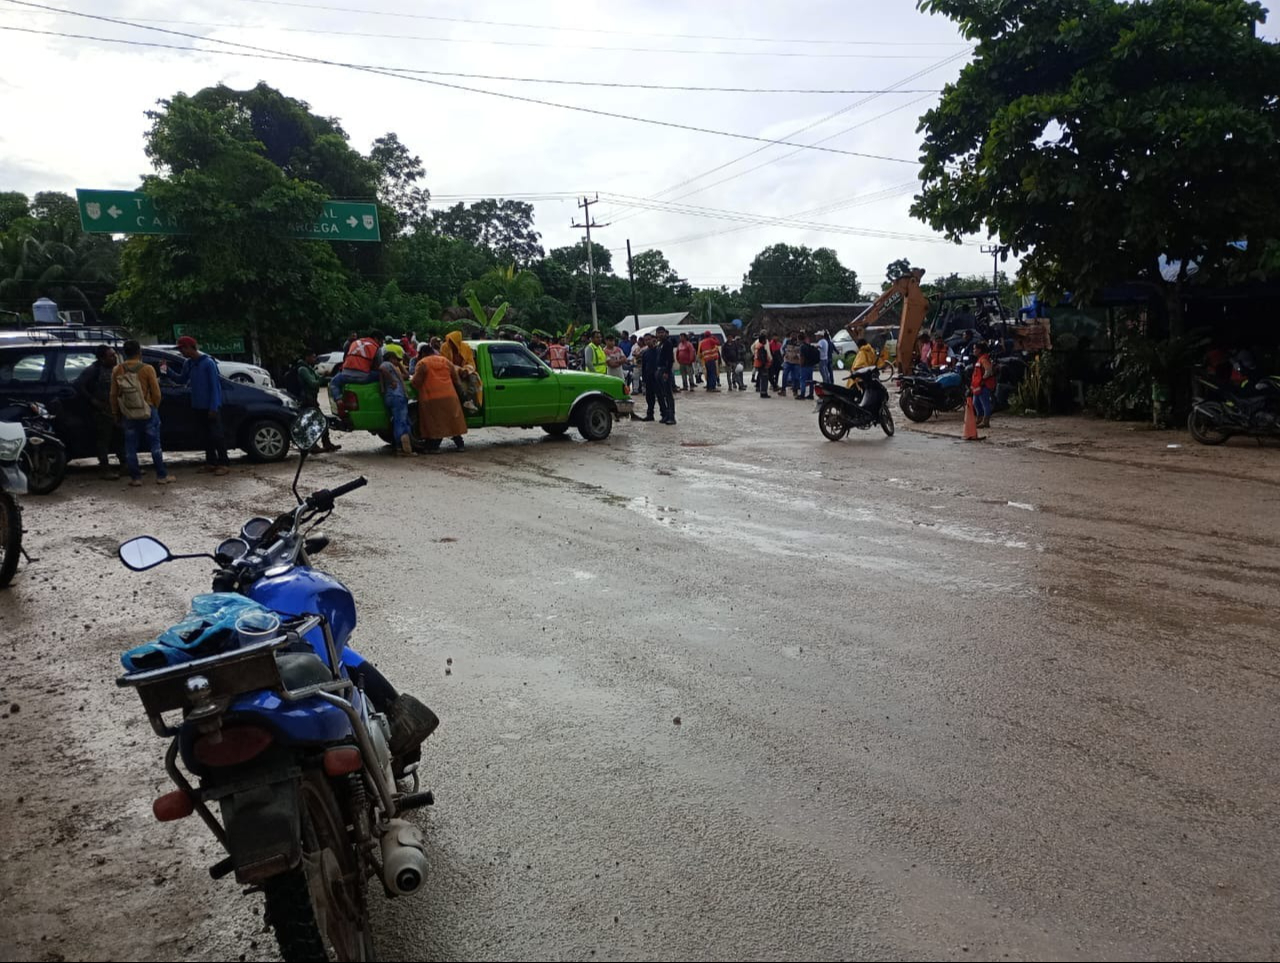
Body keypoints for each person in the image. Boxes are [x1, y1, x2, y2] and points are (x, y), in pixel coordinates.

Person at [110, 340, 171, 487]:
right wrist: (153, 406)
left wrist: (116, 413)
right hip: (148, 411)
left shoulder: (117, 369)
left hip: (129, 413)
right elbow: (156, 393)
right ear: (139, 352)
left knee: (130, 447)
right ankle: (161, 476)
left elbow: (113, 395)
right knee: (155, 445)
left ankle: (136, 478)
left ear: (125, 353)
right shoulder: (147, 368)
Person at [174, 335, 231, 475]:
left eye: (182, 349)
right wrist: (166, 372)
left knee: (217, 435)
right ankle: (210, 462)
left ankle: (223, 463)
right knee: (205, 436)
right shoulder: (188, 363)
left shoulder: (208, 363)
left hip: (210, 406)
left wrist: (213, 406)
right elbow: (181, 379)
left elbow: (214, 387)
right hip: (197, 405)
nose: (182, 352)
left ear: (189, 348)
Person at [75, 344, 125, 479]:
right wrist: (93, 400)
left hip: (116, 409)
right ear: (102, 359)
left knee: (120, 438)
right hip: (102, 411)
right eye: (111, 356)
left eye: (114, 355)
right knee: (104, 440)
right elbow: (78, 385)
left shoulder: (115, 368)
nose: (114, 358)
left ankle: (125, 466)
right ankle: (105, 469)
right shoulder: (94, 370)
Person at [411, 343, 467, 451]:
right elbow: (456, 379)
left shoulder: (422, 363)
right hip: (450, 396)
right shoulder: (445, 361)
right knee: (452, 422)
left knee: (435, 424)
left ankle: (434, 447)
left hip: (432, 399)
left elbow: (416, 382)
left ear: (423, 353)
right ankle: (460, 445)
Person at [286, 349, 341, 453]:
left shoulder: (308, 368)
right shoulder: (303, 369)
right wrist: (322, 379)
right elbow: (313, 383)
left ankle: (324, 444)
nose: (315, 359)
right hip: (307, 400)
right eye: (313, 357)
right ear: (307, 357)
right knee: (319, 421)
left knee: (316, 422)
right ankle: (316, 445)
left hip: (310, 400)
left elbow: (317, 379)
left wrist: (328, 378)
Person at [378, 343, 415, 455]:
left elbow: (407, 375)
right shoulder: (387, 365)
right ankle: (403, 449)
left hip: (392, 397)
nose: (397, 362)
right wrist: (392, 380)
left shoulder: (393, 369)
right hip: (397, 397)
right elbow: (381, 368)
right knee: (401, 422)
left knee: (401, 421)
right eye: (396, 359)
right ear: (391, 358)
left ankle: (400, 446)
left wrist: (398, 364)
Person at [329, 331, 383, 407]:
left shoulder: (355, 343)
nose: (381, 344)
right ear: (376, 339)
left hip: (346, 375)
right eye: (381, 341)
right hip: (363, 376)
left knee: (334, 382)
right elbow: (380, 366)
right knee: (382, 374)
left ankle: (338, 399)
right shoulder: (375, 347)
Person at [442, 331, 482, 412]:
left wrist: (466, 370)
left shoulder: (466, 347)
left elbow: (471, 362)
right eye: (449, 341)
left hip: (465, 369)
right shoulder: (445, 347)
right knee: (457, 382)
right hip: (451, 370)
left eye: (452, 341)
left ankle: (471, 401)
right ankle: (464, 400)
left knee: (474, 379)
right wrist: (458, 370)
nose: (450, 343)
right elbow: (445, 362)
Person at [971, 340, 997, 428]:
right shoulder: (980, 359)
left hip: (984, 385)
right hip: (978, 385)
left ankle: (986, 421)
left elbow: (988, 370)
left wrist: (983, 379)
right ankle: (979, 418)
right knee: (976, 402)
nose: (973, 351)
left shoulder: (984, 359)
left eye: (975, 349)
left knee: (985, 403)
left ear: (980, 350)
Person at [655, 327, 677, 424]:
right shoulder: (660, 345)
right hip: (659, 370)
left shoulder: (668, 344)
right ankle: (665, 415)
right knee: (661, 394)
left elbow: (670, 360)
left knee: (668, 394)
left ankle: (671, 417)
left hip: (665, 370)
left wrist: (667, 372)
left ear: (665, 333)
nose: (660, 335)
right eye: (658, 333)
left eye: (662, 333)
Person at [781, 333, 803, 397]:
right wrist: (784, 354)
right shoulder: (787, 342)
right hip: (787, 361)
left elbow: (801, 352)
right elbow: (782, 349)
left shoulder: (799, 344)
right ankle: (783, 390)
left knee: (795, 377)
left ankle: (795, 390)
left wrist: (798, 356)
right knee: (785, 375)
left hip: (796, 362)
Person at [799, 333, 820, 400]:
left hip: (804, 365)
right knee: (810, 380)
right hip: (810, 365)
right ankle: (811, 394)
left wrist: (801, 364)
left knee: (803, 380)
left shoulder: (802, 347)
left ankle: (802, 394)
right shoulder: (810, 346)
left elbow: (802, 357)